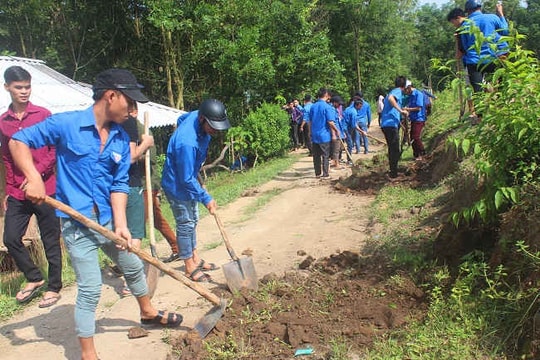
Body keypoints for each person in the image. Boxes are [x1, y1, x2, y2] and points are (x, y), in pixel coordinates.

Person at [9, 68, 182, 360]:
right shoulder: (67, 124)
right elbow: (18, 141)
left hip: (108, 222)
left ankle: (148, 312)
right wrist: (34, 177)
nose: (131, 109)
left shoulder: (118, 137)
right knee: (90, 289)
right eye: (128, 101)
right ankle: (89, 354)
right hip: (77, 228)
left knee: (133, 265)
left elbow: (118, 184)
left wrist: (122, 225)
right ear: (110, 96)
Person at [0, 66, 62, 308]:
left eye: (27, 87)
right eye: (18, 87)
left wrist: (35, 175)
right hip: (17, 191)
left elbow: (53, 149)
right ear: (7, 88)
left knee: (50, 239)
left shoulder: (43, 114)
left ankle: (54, 286)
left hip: (45, 188)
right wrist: (8, 189)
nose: (24, 92)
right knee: (11, 237)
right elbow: (6, 156)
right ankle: (34, 278)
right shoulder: (3, 122)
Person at [161, 99, 230, 282]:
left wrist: (195, 170)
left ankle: (195, 257)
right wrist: (205, 197)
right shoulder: (187, 143)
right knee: (186, 223)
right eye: (213, 126)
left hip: (189, 177)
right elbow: (185, 179)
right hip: (177, 185)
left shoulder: (194, 116)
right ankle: (189, 266)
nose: (215, 131)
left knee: (194, 219)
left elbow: (181, 118)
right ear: (202, 120)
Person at [117, 106, 154, 296]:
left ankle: (127, 274)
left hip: (110, 187)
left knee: (122, 232)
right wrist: (145, 143)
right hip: (129, 184)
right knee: (135, 232)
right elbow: (130, 157)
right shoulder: (129, 122)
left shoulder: (103, 123)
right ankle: (130, 280)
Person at [380, 76, 409, 179]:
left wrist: (400, 124)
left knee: (393, 149)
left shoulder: (394, 91)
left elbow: (391, 111)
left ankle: (393, 170)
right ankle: (393, 172)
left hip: (388, 124)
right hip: (390, 125)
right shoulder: (397, 92)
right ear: (404, 85)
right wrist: (401, 111)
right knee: (395, 149)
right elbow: (391, 99)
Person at [309, 88, 338, 179]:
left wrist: (310, 132)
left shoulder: (313, 106)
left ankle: (317, 173)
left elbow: (310, 121)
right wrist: (336, 130)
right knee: (325, 155)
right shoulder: (327, 107)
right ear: (326, 95)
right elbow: (330, 122)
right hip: (324, 135)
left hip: (315, 135)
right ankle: (325, 174)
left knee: (316, 156)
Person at [404, 82, 427, 161]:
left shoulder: (418, 94)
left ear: (409, 87)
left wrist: (407, 109)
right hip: (413, 119)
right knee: (412, 137)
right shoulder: (410, 96)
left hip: (419, 119)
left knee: (416, 137)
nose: (405, 92)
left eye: (405, 89)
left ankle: (422, 153)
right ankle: (416, 154)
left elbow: (418, 108)